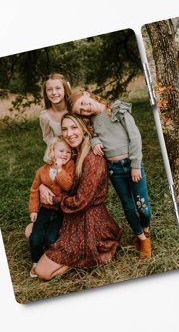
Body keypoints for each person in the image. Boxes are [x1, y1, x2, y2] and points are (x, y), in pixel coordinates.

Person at [34, 113, 122, 281]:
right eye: (65, 129)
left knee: (42, 272)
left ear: (83, 128)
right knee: (30, 231)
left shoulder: (92, 158)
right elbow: (51, 173)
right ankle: (76, 256)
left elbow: (80, 202)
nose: (69, 133)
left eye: (74, 127)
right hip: (71, 215)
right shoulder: (74, 153)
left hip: (89, 220)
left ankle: (84, 257)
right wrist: (43, 186)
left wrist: (54, 200)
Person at [68, 89, 152, 258]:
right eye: (81, 111)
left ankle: (145, 228)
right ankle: (142, 239)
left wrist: (135, 164)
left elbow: (135, 137)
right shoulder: (91, 122)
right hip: (114, 169)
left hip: (131, 164)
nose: (85, 109)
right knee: (128, 206)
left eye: (83, 103)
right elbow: (91, 135)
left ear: (87, 93)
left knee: (143, 206)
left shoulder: (116, 109)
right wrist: (95, 140)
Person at [28, 137, 74, 278]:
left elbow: (68, 185)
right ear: (52, 151)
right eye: (61, 150)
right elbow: (34, 189)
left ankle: (51, 255)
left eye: (68, 151)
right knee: (35, 236)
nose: (65, 154)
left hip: (61, 210)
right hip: (46, 209)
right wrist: (34, 210)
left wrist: (60, 169)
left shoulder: (70, 166)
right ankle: (36, 261)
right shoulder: (42, 170)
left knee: (51, 237)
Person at [39, 73, 72, 161]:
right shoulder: (45, 116)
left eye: (58, 88)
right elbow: (48, 138)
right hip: (62, 155)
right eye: (49, 89)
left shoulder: (74, 109)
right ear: (45, 93)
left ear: (65, 90)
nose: (54, 93)